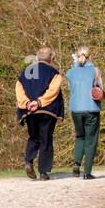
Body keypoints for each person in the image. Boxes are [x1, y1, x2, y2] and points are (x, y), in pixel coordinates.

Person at [14, 46, 64, 180]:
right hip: (47, 110)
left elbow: (19, 89)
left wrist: (27, 103)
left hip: (30, 111)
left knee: (33, 137)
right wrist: (40, 102)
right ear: (51, 58)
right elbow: (53, 92)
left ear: (36, 58)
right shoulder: (55, 73)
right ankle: (43, 172)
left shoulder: (26, 72)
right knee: (46, 139)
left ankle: (29, 161)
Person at [65, 45, 105, 179]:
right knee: (91, 139)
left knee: (80, 136)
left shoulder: (70, 72)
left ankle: (76, 162)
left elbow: (72, 89)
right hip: (91, 108)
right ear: (90, 57)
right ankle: (87, 171)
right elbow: (100, 89)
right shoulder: (96, 71)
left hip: (76, 108)